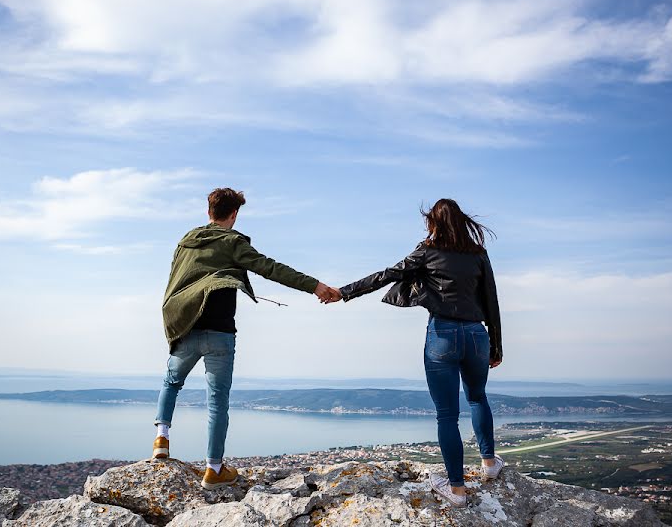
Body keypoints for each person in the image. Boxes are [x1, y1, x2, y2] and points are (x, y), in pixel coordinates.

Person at [153, 187, 340, 489]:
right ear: (235, 214)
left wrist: (173, 320)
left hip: (186, 325)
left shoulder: (186, 242)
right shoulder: (232, 242)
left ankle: (161, 438)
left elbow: (175, 282)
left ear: (208, 211)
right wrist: (315, 286)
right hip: (220, 333)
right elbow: (271, 268)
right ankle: (214, 469)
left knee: (171, 382)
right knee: (217, 402)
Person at [335, 198, 503, 507]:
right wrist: (496, 344)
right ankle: (490, 464)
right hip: (477, 334)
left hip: (443, 334)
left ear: (434, 223)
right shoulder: (479, 254)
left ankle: (456, 490)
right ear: (463, 221)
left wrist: (344, 291)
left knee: (447, 414)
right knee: (478, 397)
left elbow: (388, 274)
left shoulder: (428, 251)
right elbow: (491, 300)